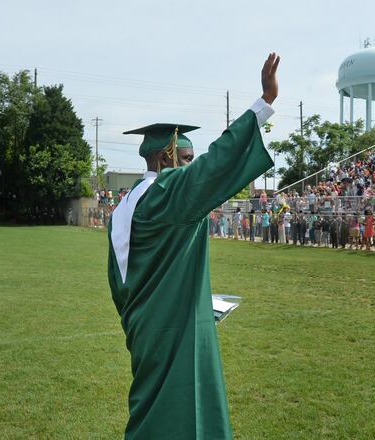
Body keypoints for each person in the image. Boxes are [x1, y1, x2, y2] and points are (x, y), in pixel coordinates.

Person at [107, 53, 280, 439]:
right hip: (173, 330)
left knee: (153, 406)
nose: (191, 163)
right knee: (178, 413)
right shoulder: (165, 194)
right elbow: (215, 165)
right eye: (186, 157)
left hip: (148, 325)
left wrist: (177, 299)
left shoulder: (126, 204)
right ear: (166, 156)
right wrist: (263, 103)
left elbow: (123, 282)